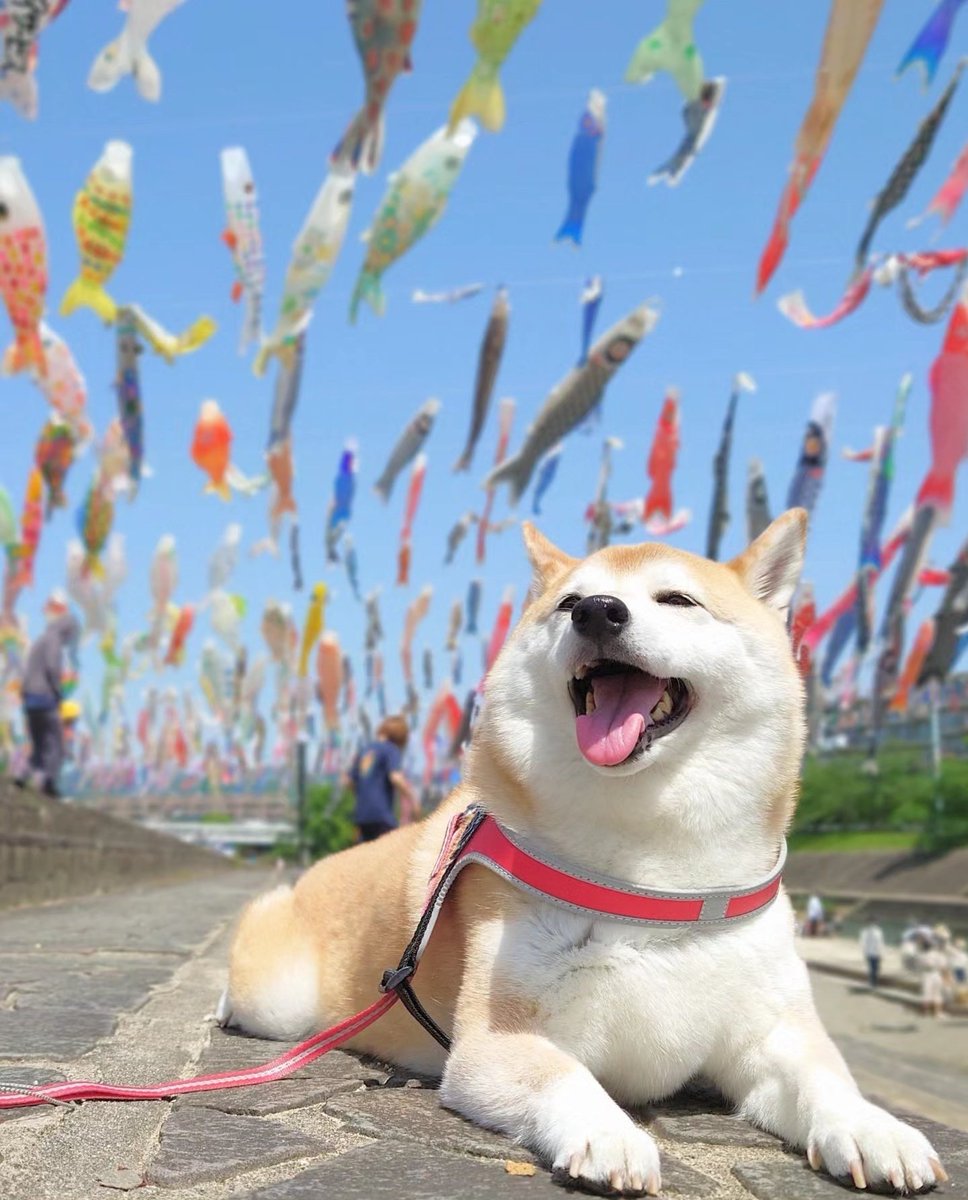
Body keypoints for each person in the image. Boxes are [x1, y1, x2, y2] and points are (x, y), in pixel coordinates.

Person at [16, 594, 80, 799]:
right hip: (45, 698)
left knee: (39, 742)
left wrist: (25, 696)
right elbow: (53, 668)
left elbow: (27, 671)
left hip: (30, 699)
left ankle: (22, 775)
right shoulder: (54, 641)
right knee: (57, 744)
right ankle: (49, 784)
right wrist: (59, 693)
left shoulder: (41, 639)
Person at [347, 714, 419, 843]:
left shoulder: (364, 751)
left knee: (365, 858)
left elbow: (350, 782)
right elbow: (395, 777)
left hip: (362, 817)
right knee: (388, 856)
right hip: (381, 816)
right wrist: (413, 799)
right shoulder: (390, 749)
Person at [859, 916, 885, 988]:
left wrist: (864, 952)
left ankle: (872, 982)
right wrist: (881, 953)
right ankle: (873, 983)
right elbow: (880, 943)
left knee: (872, 968)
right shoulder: (878, 931)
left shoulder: (864, 931)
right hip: (875, 952)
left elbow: (862, 943)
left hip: (869, 952)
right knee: (875, 968)